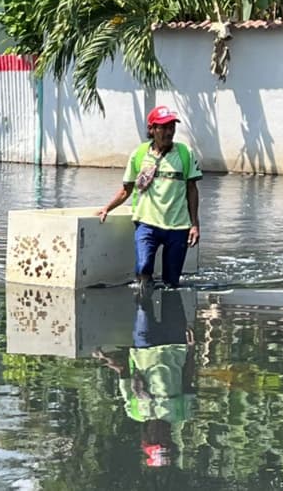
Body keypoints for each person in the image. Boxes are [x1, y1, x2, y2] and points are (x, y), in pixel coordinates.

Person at [97, 105, 201, 289]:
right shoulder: (139, 155)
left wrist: (194, 224)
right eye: (164, 127)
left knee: (172, 282)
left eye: (172, 127)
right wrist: (107, 208)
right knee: (144, 268)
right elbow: (126, 189)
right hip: (147, 224)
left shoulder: (185, 154)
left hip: (177, 227)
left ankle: (168, 312)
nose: (169, 132)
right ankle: (144, 306)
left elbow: (192, 189)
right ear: (152, 129)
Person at [94, 289, 197, 468]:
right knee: (172, 290)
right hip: (175, 344)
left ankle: (145, 279)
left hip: (144, 346)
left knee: (143, 303)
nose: (162, 436)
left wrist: (107, 360)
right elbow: (187, 378)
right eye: (166, 441)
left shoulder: (135, 412)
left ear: (147, 438)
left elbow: (125, 375)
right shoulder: (182, 413)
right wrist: (192, 348)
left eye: (157, 440)